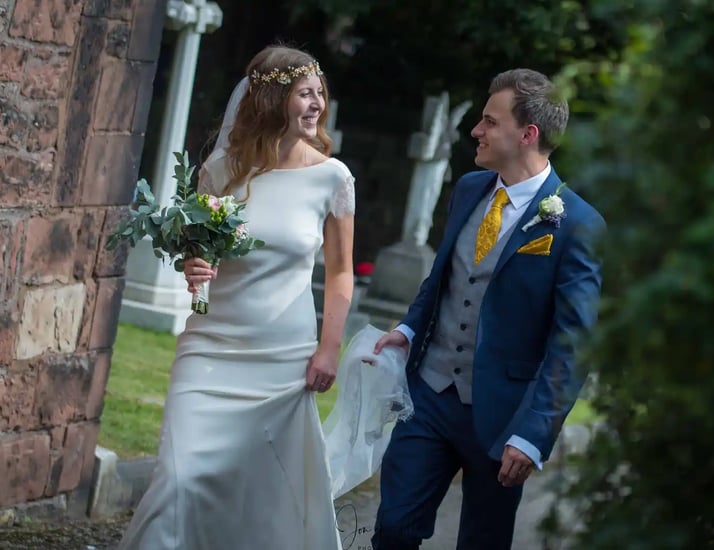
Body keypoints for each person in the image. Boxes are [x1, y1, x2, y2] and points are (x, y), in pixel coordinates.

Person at [118, 45, 355, 550]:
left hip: (281, 360)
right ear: (272, 99)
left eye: (320, 94)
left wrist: (329, 347)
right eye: (304, 93)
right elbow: (197, 261)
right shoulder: (221, 171)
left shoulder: (332, 179)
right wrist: (192, 267)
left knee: (261, 495)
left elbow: (339, 273)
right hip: (210, 349)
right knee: (178, 482)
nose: (316, 105)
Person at [370, 68, 605, 549]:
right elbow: (442, 278)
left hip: (504, 420)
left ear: (527, 134)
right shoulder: (470, 188)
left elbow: (573, 343)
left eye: (488, 121)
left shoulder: (577, 224)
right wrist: (410, 330)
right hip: (429, 396)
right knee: (393, 528)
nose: (476, 131)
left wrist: (533, 434)